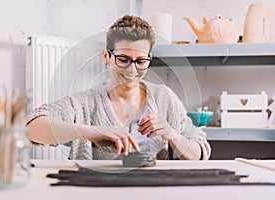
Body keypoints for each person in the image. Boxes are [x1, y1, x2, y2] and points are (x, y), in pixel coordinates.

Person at [26, 15, 211, 160]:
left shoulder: (164, 97)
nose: (132, 69)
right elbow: (33, 128)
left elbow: (201, 153)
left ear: (149, 59)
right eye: (123, 59)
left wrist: (172, 134)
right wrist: (91, 132)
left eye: (141, 61)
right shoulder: (86, 104)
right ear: (107, 56)